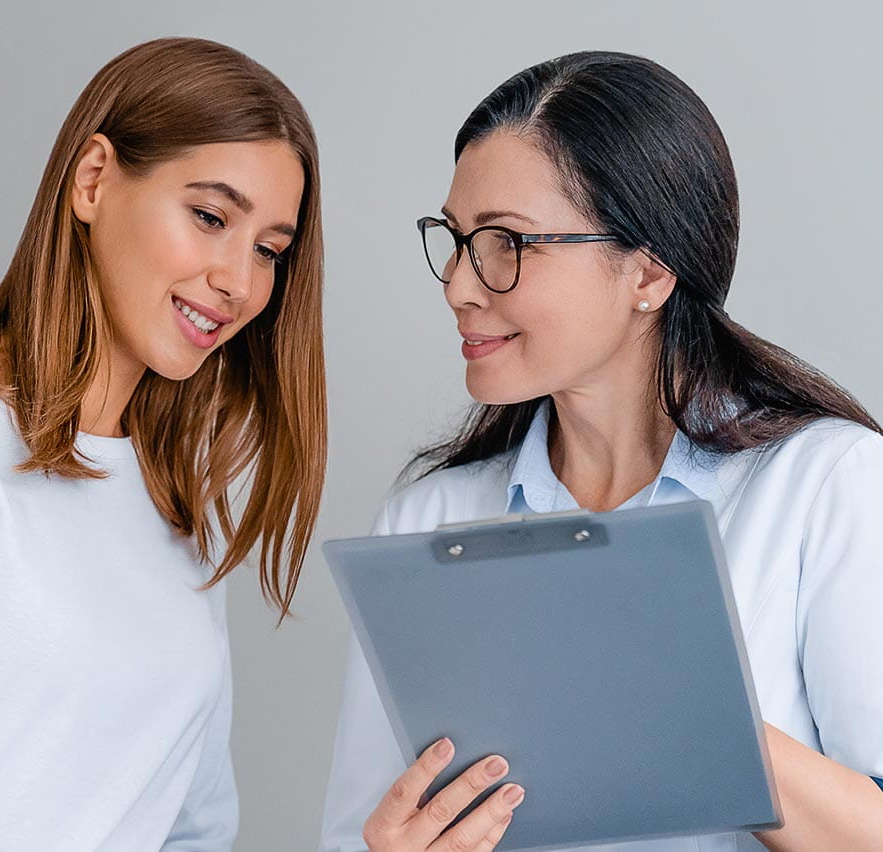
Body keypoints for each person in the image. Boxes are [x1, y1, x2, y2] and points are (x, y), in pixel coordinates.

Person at [321, 51, 883, 852]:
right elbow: (356, 833)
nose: (458, 284)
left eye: (507, 243)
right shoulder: (427, 521)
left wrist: (684, 701)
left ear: (648, 274)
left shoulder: (825, 484)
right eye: (458, 239)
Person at [0, 37, 327, 851]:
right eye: (211, 217)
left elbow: (196, 827)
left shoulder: (177, 491)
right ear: (92, 180)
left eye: (268, 250)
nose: (240, 280)